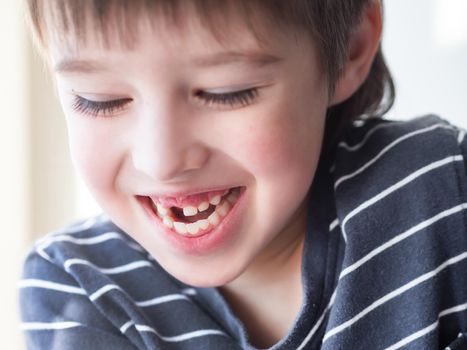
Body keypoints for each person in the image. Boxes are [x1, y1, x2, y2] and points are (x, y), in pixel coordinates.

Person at [19, 0, 467, 349]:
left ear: (351, 49)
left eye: (226, 92)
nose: (161, 161)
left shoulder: (443, 192)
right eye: (100, 100)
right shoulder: (81, 285)